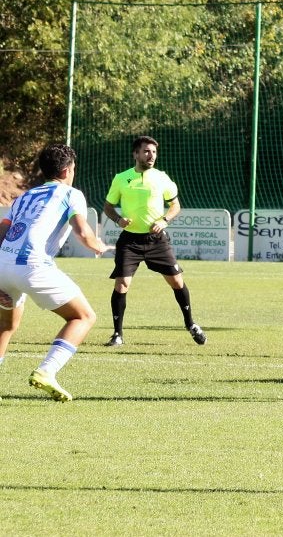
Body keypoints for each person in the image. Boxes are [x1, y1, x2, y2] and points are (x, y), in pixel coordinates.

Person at [0, 143, 111, 400]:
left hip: (3, 266)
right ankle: (47, 371)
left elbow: (2, 233)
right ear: (65, 171)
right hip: (33, 265)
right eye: (73, 169)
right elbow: (82, 231)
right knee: (83, 317)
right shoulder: (70, 194)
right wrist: (98, 245)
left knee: (5, 325)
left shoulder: (24, 197)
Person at [103, 136, 204, 347]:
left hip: (157, 240)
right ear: (136, 154)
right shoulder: (121, 178)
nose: (151, 156)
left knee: (177, 281)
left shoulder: (162, 178)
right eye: (147, 151)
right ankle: (117, 334)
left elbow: (175, 205)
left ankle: (191, 325)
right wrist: (118, 219)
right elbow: (108, 206)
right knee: (122, 284)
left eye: (154, 152)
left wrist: (165, 220)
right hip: (130, 241)